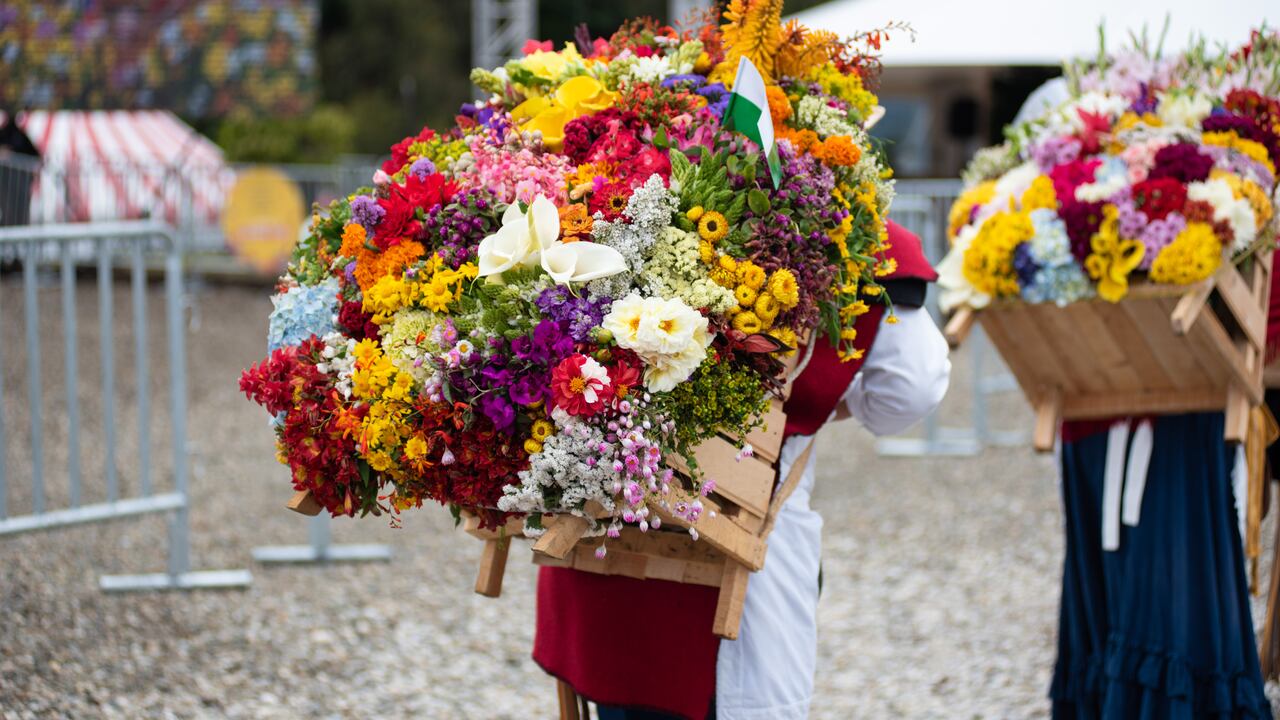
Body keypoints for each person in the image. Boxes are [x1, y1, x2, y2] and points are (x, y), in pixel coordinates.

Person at [533, 220, 952, 719]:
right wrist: (816, 406)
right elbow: (913, 386)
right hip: (738, 554)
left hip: (598, 553)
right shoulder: (845, 226)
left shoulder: (591, 201)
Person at [0, 110, 40, 227]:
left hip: (20, 184)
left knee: (20, 212)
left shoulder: (20, 136)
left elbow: (35, 156)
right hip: (6, 183)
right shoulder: (8, 134)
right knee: (9, 211)